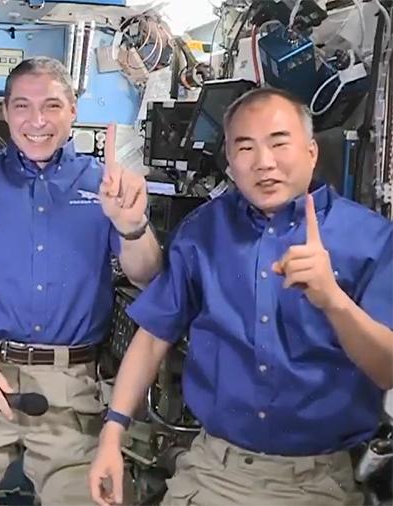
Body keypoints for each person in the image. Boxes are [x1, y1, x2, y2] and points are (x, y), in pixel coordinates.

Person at [88, 87, 393, 506]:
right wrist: (112, 432)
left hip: (320, 480)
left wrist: (333, 301)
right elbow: (155, 334)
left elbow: (387, 371)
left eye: (279, 143)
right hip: (214, 469)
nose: (263, 162)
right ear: (230, 162)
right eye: (245, 147)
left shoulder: (371, 239)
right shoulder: (203, 231)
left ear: (311, 152)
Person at [0, 56, 162, 505]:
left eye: (52, 106)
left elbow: (147, 277)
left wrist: (132, 226)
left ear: (73, 110)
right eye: (23, 106)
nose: (37, 120)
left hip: (73, 388)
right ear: (6, 112)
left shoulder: (105, 185)